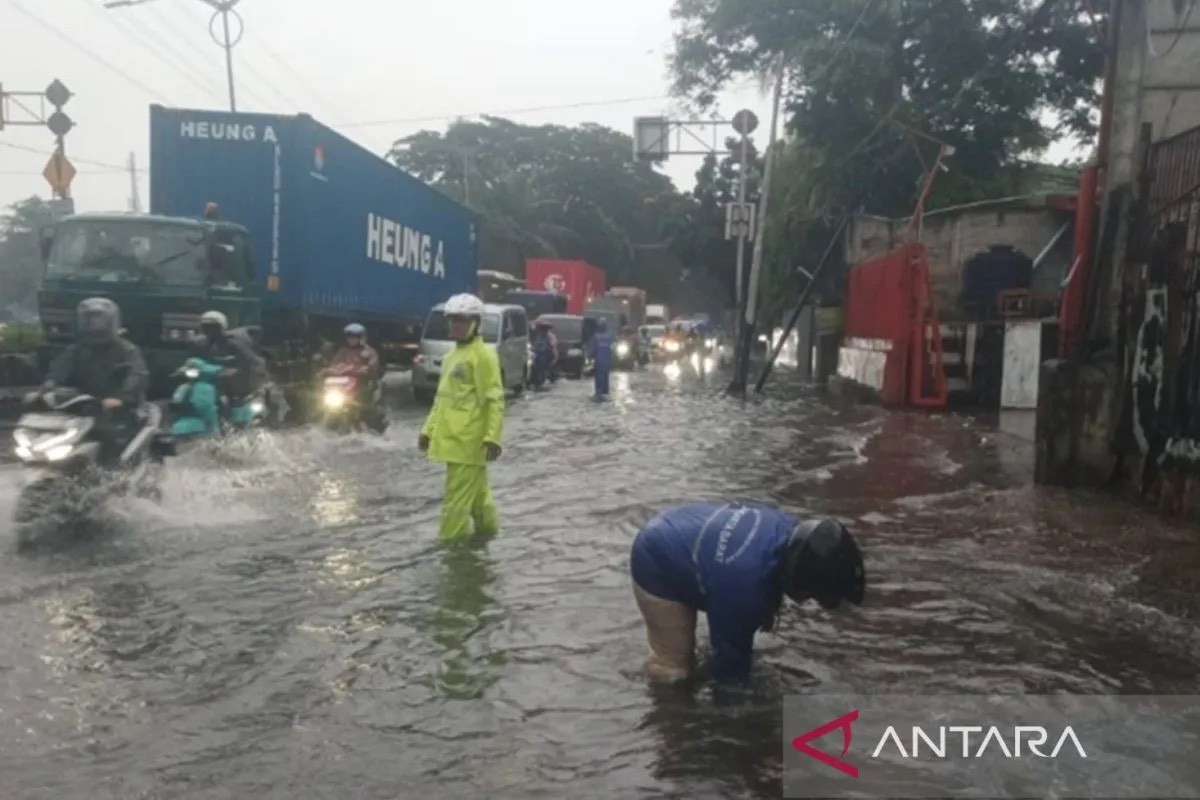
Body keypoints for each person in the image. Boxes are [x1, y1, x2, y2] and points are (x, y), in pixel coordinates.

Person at [629, 502, 865, 683]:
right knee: (674, 669)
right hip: (656, 558)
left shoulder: (787, 529)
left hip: (684, 527)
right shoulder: (743, 588)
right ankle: (668, 721)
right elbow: (730, 665)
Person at [418, 293, 504, 542]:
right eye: (453, 320)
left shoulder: (483, 356)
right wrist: (428, 430)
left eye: (462, 321)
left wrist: (492, 437)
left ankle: (451, 551)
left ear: (475, 323)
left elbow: (494, 399)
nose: (456, 326)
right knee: (479, 500)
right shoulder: (451, 357)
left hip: (468, 443)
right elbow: (442, 400)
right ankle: (489, 539)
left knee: (455, 504)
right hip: (452, 440)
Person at [27, 297, 149, 466]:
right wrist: (43, 392)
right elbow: (56, 374)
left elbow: (137, 376)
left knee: (108, 436)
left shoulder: (127, 350)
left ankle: (112, 478)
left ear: (111, 321)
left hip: (119, 411)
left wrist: (120, 398)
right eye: (90, 319)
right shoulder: (75, 351)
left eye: (100, 319)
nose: (95, 324)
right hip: (81, 407)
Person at [192, 309, 267, 407]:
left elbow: (251, 360)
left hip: (230, 382)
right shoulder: (199, 344)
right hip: (209, 379)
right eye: (205, 326)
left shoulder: (233, 343)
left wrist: (237, 368)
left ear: (221, 327)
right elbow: (192, 360)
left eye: (213, 327)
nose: (209, 329)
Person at [323, 322, 385, 429]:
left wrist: (360, 369)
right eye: (349, 337)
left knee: (368, 409)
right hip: (344, 388)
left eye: (355, 337)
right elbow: (334, 365)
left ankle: (370, 425)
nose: (351, 340)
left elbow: (370, 368)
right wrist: (326, 371)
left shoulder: (369, 352)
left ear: (361, 337)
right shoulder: (343, 351)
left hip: (364, 387)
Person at [587, 316, 614, 400]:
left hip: (599, 361)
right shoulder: (609, 335)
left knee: (599, 377)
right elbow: (612, 348)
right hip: (607, 361)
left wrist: (589, 357)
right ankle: (604, 392)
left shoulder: (596, 336)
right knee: (605, 377)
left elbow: (592, 349)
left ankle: (599, 393)